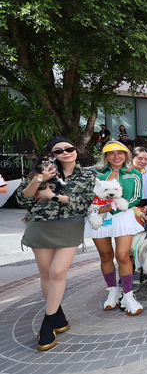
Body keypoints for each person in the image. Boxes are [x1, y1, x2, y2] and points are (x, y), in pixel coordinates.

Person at [16, 138, 95, 351]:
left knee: (57, 272)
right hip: (40, 226)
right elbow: (22, 199)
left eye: (69, 148)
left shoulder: (88, 175)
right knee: (46, 274)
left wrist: (54, 196)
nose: (65, 153)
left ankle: (47, 323)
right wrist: (39, 179)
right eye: (59, 151)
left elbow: (86, 203)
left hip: (69, 227)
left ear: (76, 151)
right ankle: (58, 316)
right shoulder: (41, 171)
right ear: (53, 154)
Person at [84, 141, 144, 316]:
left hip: (122, 216)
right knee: (105, 255)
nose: (116, 157)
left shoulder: (134, 173)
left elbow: (136, 197)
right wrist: (96, 209)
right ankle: (112, 292)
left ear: (126, 155)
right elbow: (87, 194)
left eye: (120, 153)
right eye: (111, 153)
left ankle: (128, 296)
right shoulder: (96, 173)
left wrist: (111, 208)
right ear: (106, 156)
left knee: (123, 255)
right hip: (99, 216)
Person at [132, 147, 147, 224]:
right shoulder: (126, 175)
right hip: (130, 212)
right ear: (132, 158)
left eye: (146, 159)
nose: (143, 161)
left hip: (143, 211)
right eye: (140, 158)